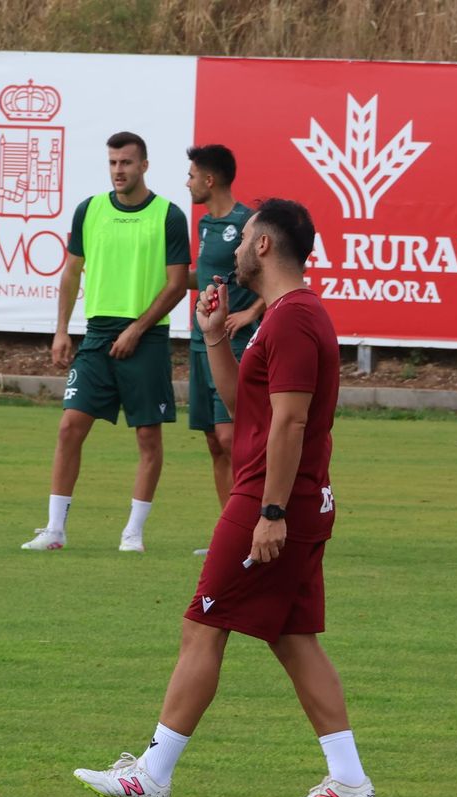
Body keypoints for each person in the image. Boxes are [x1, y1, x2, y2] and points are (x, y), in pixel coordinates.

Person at [73, 198, 376, 797]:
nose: (232, 252)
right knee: (294, 638)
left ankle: (153, 773)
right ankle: (348, 780)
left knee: (201, 626)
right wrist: (213, 338)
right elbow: (253, 411)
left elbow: (288, 425)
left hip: (273, 499)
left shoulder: (292, 319)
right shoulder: (292, 315)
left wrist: (270, 513)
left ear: (264, 246)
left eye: (241, 242)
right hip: (297, 497)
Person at [22, 131, 189, 553]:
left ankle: (132, 533)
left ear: (144, 166)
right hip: (97, 336)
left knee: (148, 439)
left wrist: (136, 329)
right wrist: (62, 330)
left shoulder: (168, 215)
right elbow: (71, 272)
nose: (119, 170)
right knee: (69, 428)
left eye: (127, 163)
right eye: (113, 162)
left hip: (147, 337)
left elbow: (176, 286)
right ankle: (55, 529)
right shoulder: (89, 210)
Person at [184, 144, 264, 522]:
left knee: (232, 438)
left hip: (234, 345)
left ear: (209, 180)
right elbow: (200, 277)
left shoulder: (249, 223)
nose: (188, 183)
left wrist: (250, 310)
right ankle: (227, 529)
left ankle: (254, 521)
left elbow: (278, 273)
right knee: (215, 442)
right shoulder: (203, 224)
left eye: (192, 175)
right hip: (201, 344)